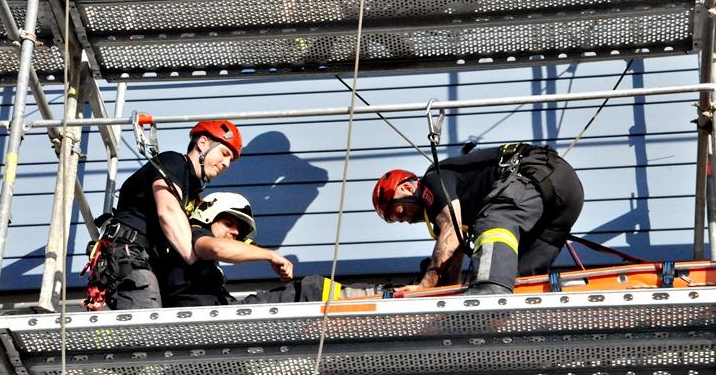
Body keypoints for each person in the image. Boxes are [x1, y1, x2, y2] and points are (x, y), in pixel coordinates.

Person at [372, 142, 584, 295]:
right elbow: (453, 251)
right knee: (518, 277)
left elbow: (451, 233)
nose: (408, 220)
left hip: (534, 172)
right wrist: (446, 294)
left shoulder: (433, 180)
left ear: (407, 188)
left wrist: (425, 286)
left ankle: (489, 293)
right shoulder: (450, 209)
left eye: (401, 212)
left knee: (493, 224)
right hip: (568, 193)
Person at [90, 120, 242, 310]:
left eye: (231, 160)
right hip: (130, 253)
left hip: (149, 262)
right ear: (203, 143)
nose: (227, 163)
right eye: (224, 153)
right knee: (146, 318)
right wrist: (199, 265)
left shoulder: (192, 192)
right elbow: (168, 213)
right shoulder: (173, 162)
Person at [160, 192, 379, 307]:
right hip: (213, 318)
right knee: (310, 288)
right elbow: (216, 248)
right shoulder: (194, 235)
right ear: (208, 217)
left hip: (219, 314)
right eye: (228, 223)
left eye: (239, 231)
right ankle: (374, 296)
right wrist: (270, 255)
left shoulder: (203, 262)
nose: (234, 232)